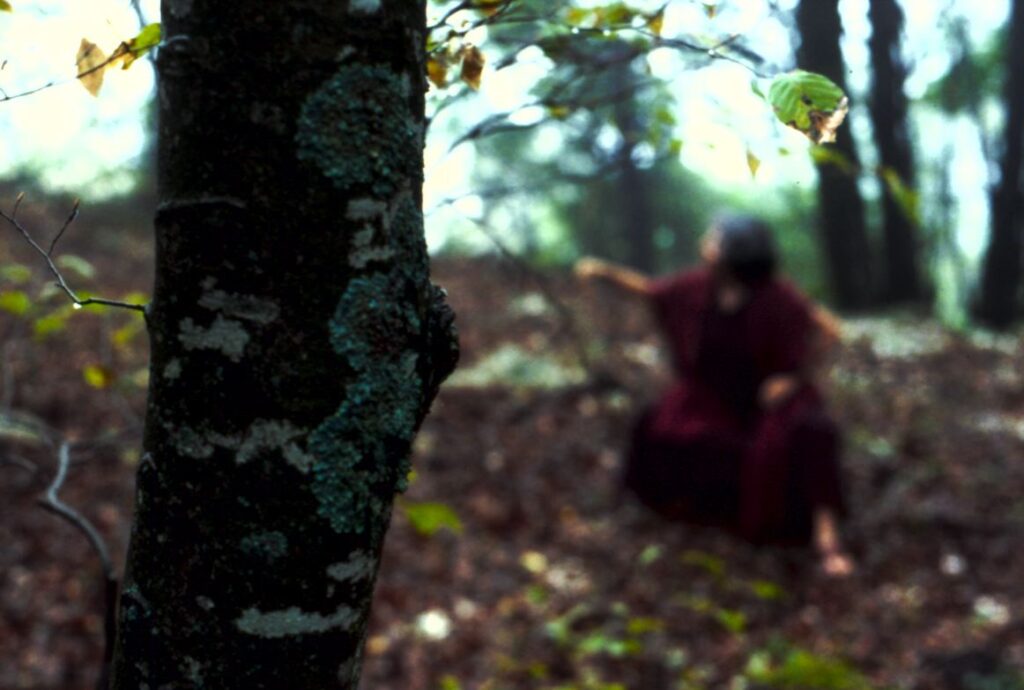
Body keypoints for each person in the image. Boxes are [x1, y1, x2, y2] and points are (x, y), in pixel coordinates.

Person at [576, 214, 854, 577]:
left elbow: (830, 330)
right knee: (656, 426)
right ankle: (686, 512)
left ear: (731, 253)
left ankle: (826, 539)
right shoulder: (698, 287)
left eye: (713, 239)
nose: (705, 244)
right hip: (714, 398)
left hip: (764, 399)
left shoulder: (776, 294)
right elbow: (651, 290)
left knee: (812, 431)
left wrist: (792, 378)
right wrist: (604, 273)